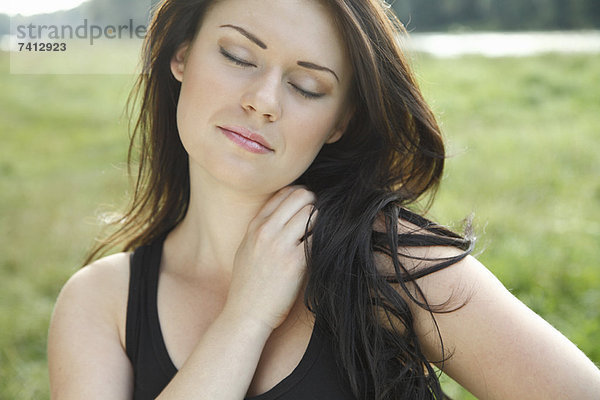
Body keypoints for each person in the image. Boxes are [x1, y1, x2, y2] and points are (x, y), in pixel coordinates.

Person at [47, 0, 600, 399]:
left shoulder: (393, 261)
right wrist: (245, 318)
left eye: (307, 86)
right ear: (182, 56)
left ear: (339, 122)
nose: (263, 101)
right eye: (239, 56)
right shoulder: (101, 303)